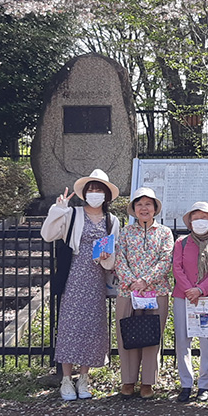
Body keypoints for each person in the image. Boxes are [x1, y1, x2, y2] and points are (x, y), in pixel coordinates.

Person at [40, 169, 120, 401]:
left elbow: (113, 253)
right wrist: (58, 210)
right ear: (84, 193)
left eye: (99, 190)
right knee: (70, 325)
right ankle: (66, 379)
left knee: (92, 327)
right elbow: (48, 234)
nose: (95, 193)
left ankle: (83, 377)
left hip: (96, 278)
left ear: (106, 195)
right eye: (91, 189)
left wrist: (107, 258)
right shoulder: (72, 214)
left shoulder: (111, 220)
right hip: (74, 276)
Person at [114, 187, 174, 399]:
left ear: (155, 208)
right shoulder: (126, 232)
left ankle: (148, 382)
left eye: (148, 204)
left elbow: (166, 260)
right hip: (127, 292)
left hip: (155, 291)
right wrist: (132, 282)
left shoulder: (165, 233)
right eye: (140, 204)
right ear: (134, 209)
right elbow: (119, 258)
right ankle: (128, 380)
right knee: (126, 334)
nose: (144, 208)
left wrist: (145, 281)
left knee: (151, 336)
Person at [172, 202, 208, 402]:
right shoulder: (181, 243)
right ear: (190, 222)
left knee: (207, 341)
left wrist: (201, 289)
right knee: (183, 341)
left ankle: (204, 385)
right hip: (182, 296)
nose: (200, 221)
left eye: (204, 217)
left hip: (207, 297)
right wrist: (189, 289)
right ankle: (186, 384)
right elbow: (177, 267)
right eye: (196, 218)